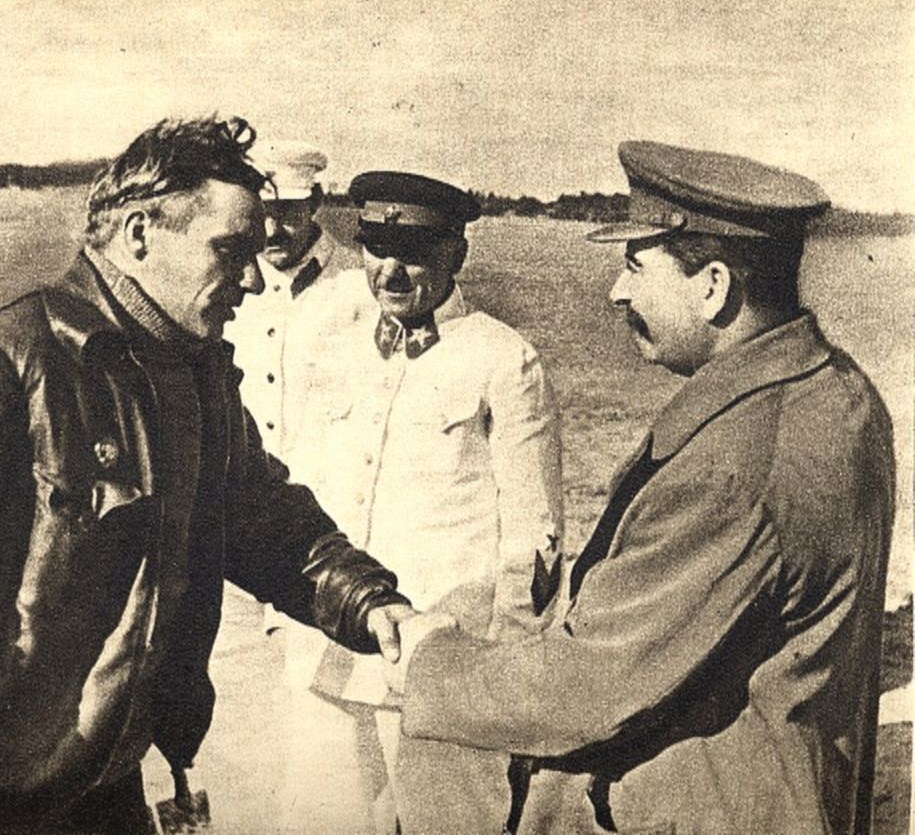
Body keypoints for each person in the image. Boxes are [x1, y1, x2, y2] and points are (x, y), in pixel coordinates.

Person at [0, 116, 420, 835]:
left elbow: (260, 517)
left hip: (103, 786)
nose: (253, 281)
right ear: (138, 234)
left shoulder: (196, 375)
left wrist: (369, 602)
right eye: (230, 250)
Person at [389, 141, 896, 834]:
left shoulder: (734, 467)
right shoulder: (837, 390)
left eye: (634, 264)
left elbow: (585, 688)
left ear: (713, 286)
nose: (616, 291)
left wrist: (429, 661)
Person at [270, 171, 564, 833]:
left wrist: (498, 675)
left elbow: (534, 539)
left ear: (456, 253)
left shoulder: (504, 360)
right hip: (328, 654)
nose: (391, 270)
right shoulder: (334, 345)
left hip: (439, 671)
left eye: (414, 252)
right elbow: (298, 489)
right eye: (376, 248)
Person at [225, 138, 357, 462]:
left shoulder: (360, 284)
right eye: (260, 213)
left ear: (315, 201)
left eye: (286, 210)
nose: (271, 230)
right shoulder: (227, 287)